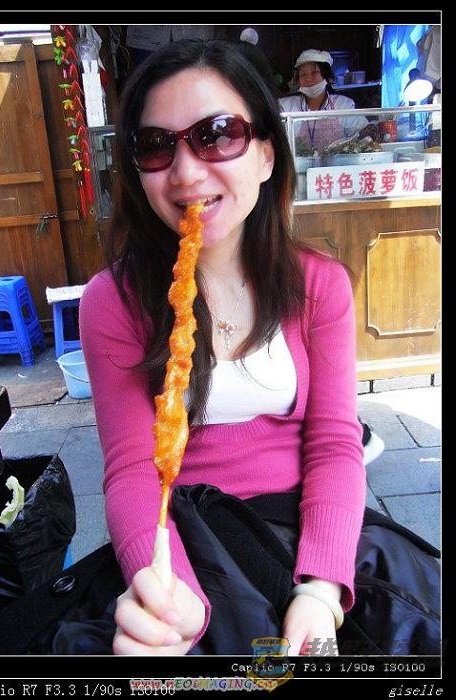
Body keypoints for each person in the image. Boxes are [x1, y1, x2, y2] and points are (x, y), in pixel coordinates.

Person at [79, 38, 438, 657]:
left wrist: (321, 588)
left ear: (267, 155)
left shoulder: (320, 285)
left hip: (309, 529)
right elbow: (134, 469)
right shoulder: (112, 301)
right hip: (183, 537)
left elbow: (334, 443)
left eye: (217, 135)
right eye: (156, 145)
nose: (185, 172)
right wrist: (169, 598)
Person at [279, 49, 370, 155]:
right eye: (303, 74)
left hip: (337, 163)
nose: (308, 79)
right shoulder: (286, 106)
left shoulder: (343, 105)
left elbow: (363, 132)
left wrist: (369, 132)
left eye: (314, 72)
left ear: (327, 77)